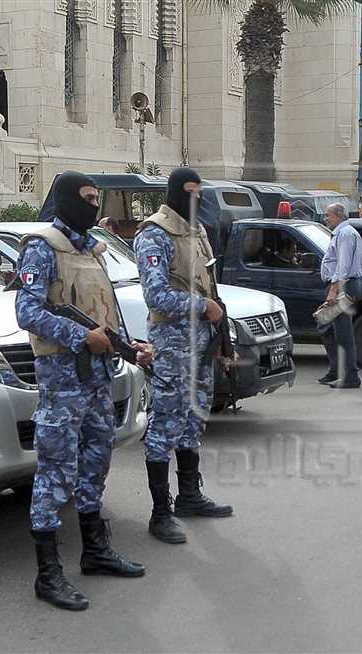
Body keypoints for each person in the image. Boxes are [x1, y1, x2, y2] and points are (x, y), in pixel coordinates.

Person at [15, 171, 147, 612]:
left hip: (96, 378)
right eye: (88, 198)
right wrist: (78, 337)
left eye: (97, 198)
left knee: (96, 460)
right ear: (67, 199)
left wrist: (131, 346)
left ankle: (94, 550)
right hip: (62, 377)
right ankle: (48, 573)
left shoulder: (94, 250)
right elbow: (27, 311)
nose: (95, 205)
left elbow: (104, 313)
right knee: (55, 473)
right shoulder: (42, 246)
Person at [134, 167, 234, 547]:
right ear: (175, 193)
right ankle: (160, 512)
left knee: (193, 417)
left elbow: (209, 287)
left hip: (203, 342)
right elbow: (156, 296)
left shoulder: (197, 233)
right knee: (164, 425)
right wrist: (202, 305)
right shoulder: (154, 235)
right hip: (173, 345)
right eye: (190, 193)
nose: (197, 199)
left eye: (200, 193)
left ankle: (189, 496)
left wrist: (222, 342)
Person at [319, 203, 362, 387]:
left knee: (343, 333)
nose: (326, 218)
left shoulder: (345, 234)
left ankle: (351, 377)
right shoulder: (342, 233)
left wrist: (333, 289)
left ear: (338, 215)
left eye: (328, 215)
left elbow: (343, 266)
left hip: (343, 287)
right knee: (326, 329)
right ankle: (335, 370)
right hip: (340, 286)